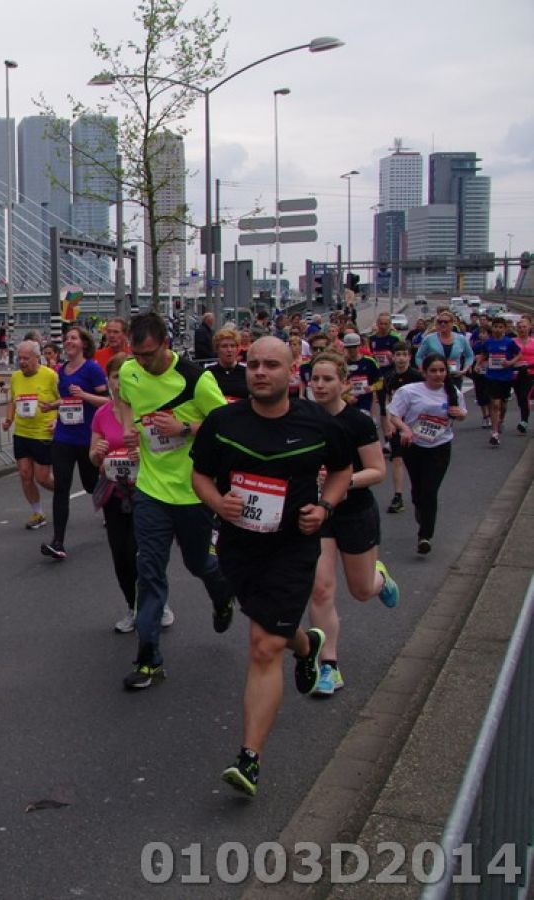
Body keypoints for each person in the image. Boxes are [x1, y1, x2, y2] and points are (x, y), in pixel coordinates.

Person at [190, 338, 354, 798]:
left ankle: (249, 758)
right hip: (239, 547)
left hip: (292, 547)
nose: (260, 372)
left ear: (292, 370)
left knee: (263, 646)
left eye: (271, 365)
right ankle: (307, 644)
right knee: (273, 629)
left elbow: (342, 471)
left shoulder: (318, 423)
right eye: (253, 364)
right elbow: (199, 475)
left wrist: (324, 507)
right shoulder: (223, 422)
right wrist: (218, 502)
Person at [114, 312, 235, 689]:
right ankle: (148, 658)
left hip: (192, 492)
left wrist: (185, 427)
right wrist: (130, 429)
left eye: (148, 354)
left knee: (198, 562)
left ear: (165, 344)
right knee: (149, 570)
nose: (142, 362)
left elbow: (227, 427)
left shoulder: (197, 379)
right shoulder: (130, 371)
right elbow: (125, 400)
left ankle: (221, 591)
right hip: (151, 490)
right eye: (136, 354)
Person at [305, 352, 400, 699]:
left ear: (344, 383)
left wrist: (342, 483)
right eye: (315, 379)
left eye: (327, 379)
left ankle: (380, 578)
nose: (319, 385)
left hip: (355, 511)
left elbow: (377, 471)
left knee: (360, 591)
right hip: (319, 514)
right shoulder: (303, 420)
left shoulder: (357, 421)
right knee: (320, 589)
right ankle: (328, 665)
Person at [387, 353, 468, 555]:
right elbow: (394, 414)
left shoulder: (453, 392)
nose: (438, 374)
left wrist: (461, 415)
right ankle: (419, 507)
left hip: (440, 447)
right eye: (433, 370)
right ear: (424, 372)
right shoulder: (409, 391)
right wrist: (405, 429)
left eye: (442, 370)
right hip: (413, 446)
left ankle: (425, 536)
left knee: (430, 491)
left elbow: (462, 414)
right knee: (418, 490)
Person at [40, 326, 108, 559]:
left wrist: (84, 395)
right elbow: (67, 400)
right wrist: (52, 407)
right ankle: (58, 542)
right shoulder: (61, 370)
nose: (68, 341)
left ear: (84, 344)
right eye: (67, 338)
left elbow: (107, 401)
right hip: (63, 437)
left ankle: (113, 500)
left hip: (87, 438)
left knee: (90, 485)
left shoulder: (92, 369)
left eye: (73, 338)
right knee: (61, 488)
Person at [89, 354, 141, 632]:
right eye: (115, 376)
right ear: (108, 380)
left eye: (126, 375)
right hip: (114, 493)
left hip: (146, 492)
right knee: (120, 555)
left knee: (140, 553)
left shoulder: (147, 410)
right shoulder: (102, 414)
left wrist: (142, 453)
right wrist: (97, 454)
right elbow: (93, 456)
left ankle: (155, 601)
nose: (121, 382)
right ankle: (132, 605)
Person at [2, 340, 58, 530]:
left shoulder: (50, 376)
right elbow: (13, 400)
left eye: (26, 358)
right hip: (22, 433)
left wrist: (57, 420)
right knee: (25, 474)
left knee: (43, 478)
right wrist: (8, 420)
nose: (22, 362)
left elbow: (63, 400)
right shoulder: (16, 377)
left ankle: (61, 491)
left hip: (43, 433)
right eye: (20, 358)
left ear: (37, 358)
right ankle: (38, 513)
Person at [377, 341, 423, 514]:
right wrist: (388, 422)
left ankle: (419, 491)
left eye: (404, 354)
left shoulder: (417, 376)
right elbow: (387, 401)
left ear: (410, 357)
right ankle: (398, 496)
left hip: (415, 424)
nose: (401, 358)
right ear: (393, 357)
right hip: (397, 423)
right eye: (398, 355)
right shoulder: (389, 377)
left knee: (416, 460)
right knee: (397, 459)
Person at [476, 316, 520, 446]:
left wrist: (510, 362)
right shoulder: (488, 342)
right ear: (492, 328)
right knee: (495, 404)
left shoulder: (509, 342)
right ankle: (494, 433)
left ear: (505, 329)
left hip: (505, 377)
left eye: (501, 327)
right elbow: (484, 355)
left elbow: (519, 354)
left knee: (503, 404)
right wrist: (478, 364)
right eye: (495, 327)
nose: (498, 329)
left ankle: (501, 420)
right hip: (491, 376)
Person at [413, 308, 473, 390]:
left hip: (454, 376)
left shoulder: (461, 339)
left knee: (453, 397)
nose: (442, 324)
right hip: (435, 376)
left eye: (446, 322)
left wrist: (464, 370)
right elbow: (419, 356)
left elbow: (469, 355)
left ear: (452, 323)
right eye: (440, 322)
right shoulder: (429, 339)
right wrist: (423, 370)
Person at [340, 333, 382, 415]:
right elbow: (336, 386)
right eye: (348, 347)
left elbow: (381, 382)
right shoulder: (341, 363)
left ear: (359, 346)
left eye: (354, 347)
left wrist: (372, 388)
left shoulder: (370, 361)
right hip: (346, 404)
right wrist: (346, 397)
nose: (351, 350)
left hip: (366, 403)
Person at [204, 326, 248, 402]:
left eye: (232, 346)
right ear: (217, 349)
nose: (229, 350)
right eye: (224, 346)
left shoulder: (246, 372)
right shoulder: (209, 373)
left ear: (237, 349)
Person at [511, 316, 534, 433]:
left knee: (525, 395)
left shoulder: (533, 342)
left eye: (524, 327)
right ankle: (524, 417)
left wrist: (529, 366)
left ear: (529, 327)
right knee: (520, 398)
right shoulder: (512, 342)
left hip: (531, 373)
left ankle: (524, 421)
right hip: (516, 373)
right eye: (519, 327)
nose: (522, 329)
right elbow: (507, 356)